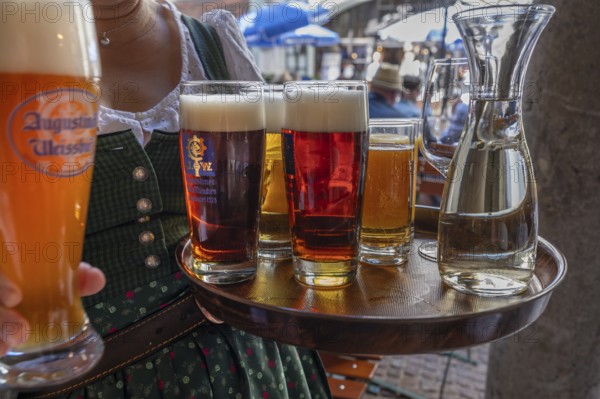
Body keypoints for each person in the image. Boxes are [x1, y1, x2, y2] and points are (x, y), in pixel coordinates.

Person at [0, 0, 332, 398]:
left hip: (245, 358)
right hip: (76, 376)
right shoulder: (15, 40)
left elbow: (271, 206)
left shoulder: (213, 42)